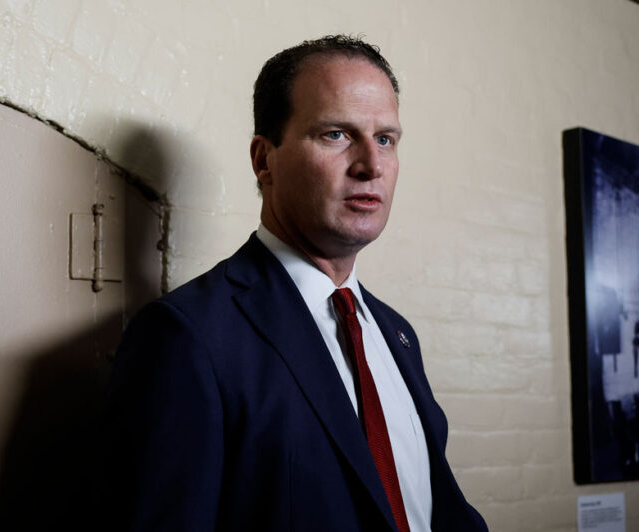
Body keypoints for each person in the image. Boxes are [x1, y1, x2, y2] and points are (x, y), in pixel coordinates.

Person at [96, 35, 488, 531]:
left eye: (385, 138)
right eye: (336, 135)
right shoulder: (187, 337)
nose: (371, 165)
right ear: (264, 161)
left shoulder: (396, 334)